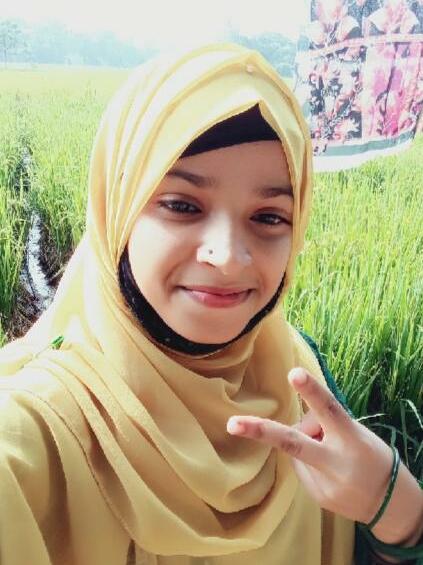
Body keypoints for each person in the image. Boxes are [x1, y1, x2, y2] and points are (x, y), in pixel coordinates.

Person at [0, 43, 421, 565]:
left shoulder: (299, 378)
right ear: (117, 212)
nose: (227, 256)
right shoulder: (31, 437)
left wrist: (399, 513)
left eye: (269, 217)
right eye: (181, 205)